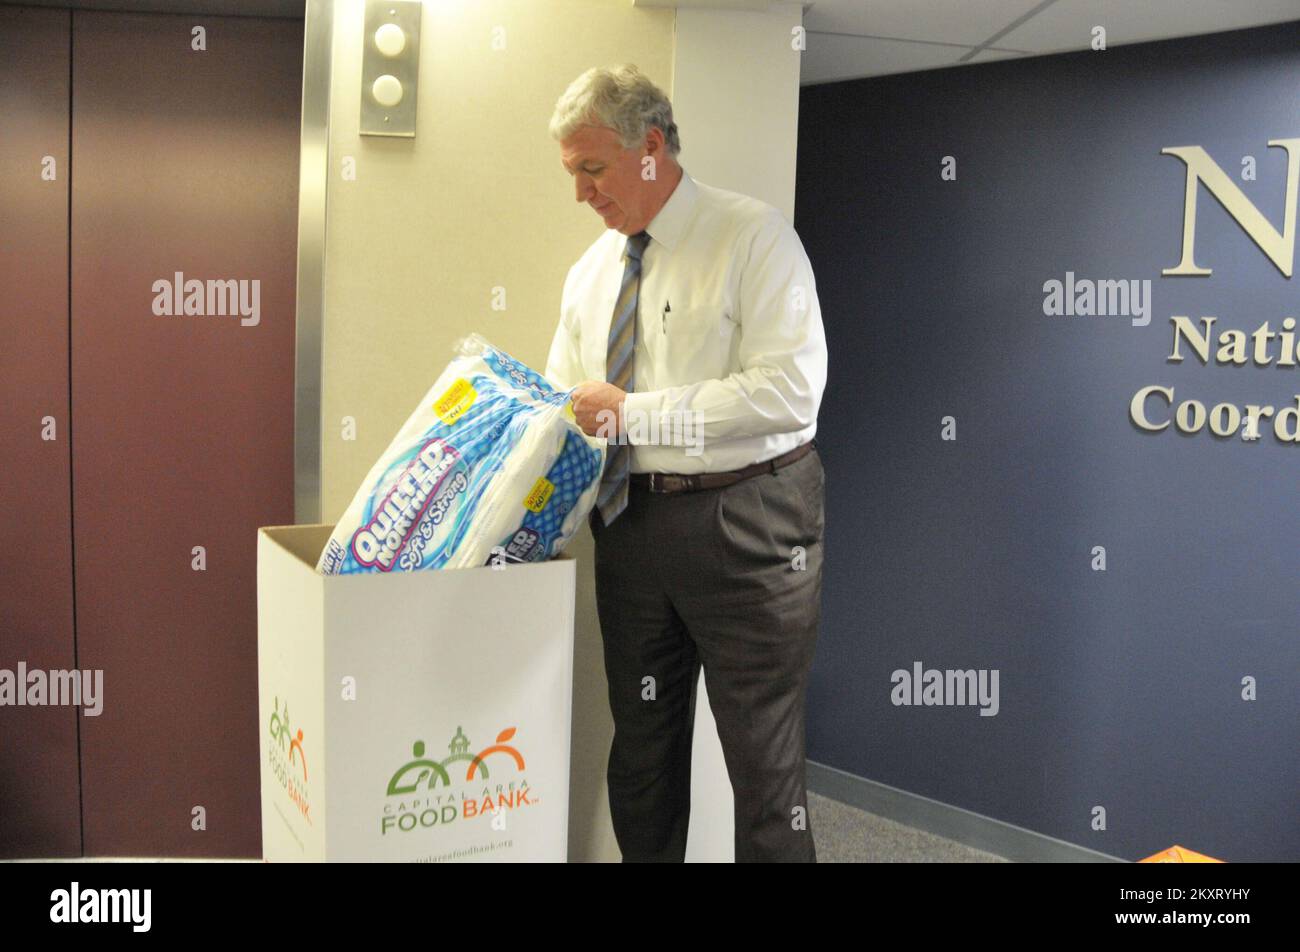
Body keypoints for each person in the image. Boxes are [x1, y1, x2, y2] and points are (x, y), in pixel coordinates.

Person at [544, 64, 828, 863]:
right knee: (642, 756)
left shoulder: (754, 237)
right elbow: (571, 403)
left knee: (764, 769)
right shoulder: (592, 273)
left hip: (749, 526)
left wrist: (634, 414)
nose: (581, 195)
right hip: (630, 528)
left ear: (651, 149)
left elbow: (790, 392)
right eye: (571, 174)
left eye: (592, 169)